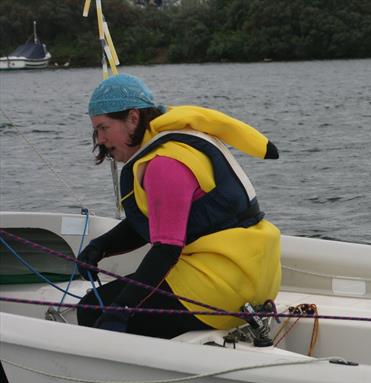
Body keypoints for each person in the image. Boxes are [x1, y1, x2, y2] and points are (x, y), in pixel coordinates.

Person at [77, 73, 282, 338]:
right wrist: (100, 247)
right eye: (96, 130)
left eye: (103, 128)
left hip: (219, 288)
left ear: (133, 118)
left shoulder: (164, 163)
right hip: (257, 279)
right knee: (123, 293)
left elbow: (166, 251)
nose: (100, 139)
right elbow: (165, 220)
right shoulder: (178, 141)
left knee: (93, 308)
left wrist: (121, 309)